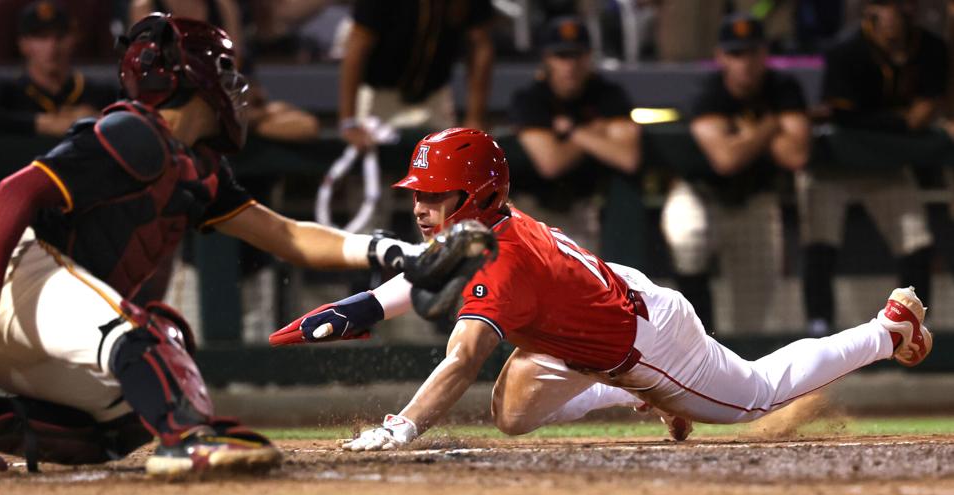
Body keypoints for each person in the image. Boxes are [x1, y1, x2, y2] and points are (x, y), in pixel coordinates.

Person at [0, 14, 421, 477]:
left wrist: (393, 253)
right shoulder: (134, 130)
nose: (232, 86)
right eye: (222, 70)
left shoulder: (196, 166)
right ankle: (188, 440)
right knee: (150, 336)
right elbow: (17, 190)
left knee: (123, 425)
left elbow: (288, 236)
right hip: (8, 281)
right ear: (187, 75)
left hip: (38, 317)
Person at [271, 127, 931, 452]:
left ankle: (888, 330)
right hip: (589, 316)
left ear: (472, 195)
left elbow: (461, 358)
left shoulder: (502, 263)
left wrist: (400, 428)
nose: (419, 207)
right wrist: (359, 305)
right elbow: (428, 267)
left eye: (432, 195)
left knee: (752, 398)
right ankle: (629, 392)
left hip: (646, 337)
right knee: (511, 417)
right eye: (417, 194)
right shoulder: (480, 229)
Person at [799, 0, 945, 336]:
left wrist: (906, 121)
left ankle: (916, 329)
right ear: (871, 13)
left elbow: (925, 112)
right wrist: (902, 120)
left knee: (916, 242)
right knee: (820, 243)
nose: (896, 14)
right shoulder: (845, 51)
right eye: (885, 7)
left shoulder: (930, 47)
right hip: (833, 167)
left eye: (900, 6)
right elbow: (846, 116)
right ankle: (818, 328)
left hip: (886, 166)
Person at [661, 14, 810, 333]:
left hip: (755, 198)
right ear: (721, 57)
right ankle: (698, 344)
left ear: (764, 54)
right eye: (735, 54)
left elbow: (795, 155)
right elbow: (726, 159)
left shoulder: (782, 87)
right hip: (699, 193)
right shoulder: (709, 94)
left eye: (751, 52)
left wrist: (744, 133)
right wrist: (769, 126)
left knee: (754, 315)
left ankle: (740, 370)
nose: (744, 63)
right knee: (689, 240)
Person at [509, 16, 641, 255]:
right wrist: (597, 131)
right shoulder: (532, 98)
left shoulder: (606, 94)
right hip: (533, 209)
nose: (570, 65)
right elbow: (551, 163)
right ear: (547, 59)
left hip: (584, 208)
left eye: (576, 56)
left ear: (588, 56)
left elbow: (627, 157)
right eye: (561, 56)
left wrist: (574, 132)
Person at [338, 0, 495, 150]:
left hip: (435, 99)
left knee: (446, 169)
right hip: (378, 99)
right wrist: (349, 121)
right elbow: (357, 45)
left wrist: (476, 116)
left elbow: (480, 44)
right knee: (377, 171)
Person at [0, 0, 116, 137]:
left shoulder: (97, 93)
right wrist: (43, 123)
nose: (52, 47)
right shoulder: (7, 90)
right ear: (23, 44)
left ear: (74, 39)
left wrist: (96, 120)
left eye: (60, 37)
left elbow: (133, 119)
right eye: (41, 38)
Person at [0, 0, 114, 63]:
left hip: (84, 92)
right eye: (42, 37)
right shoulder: (5, 6)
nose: (51, 46)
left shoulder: (91, 4)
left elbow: (107, 61)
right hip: (21, 96)